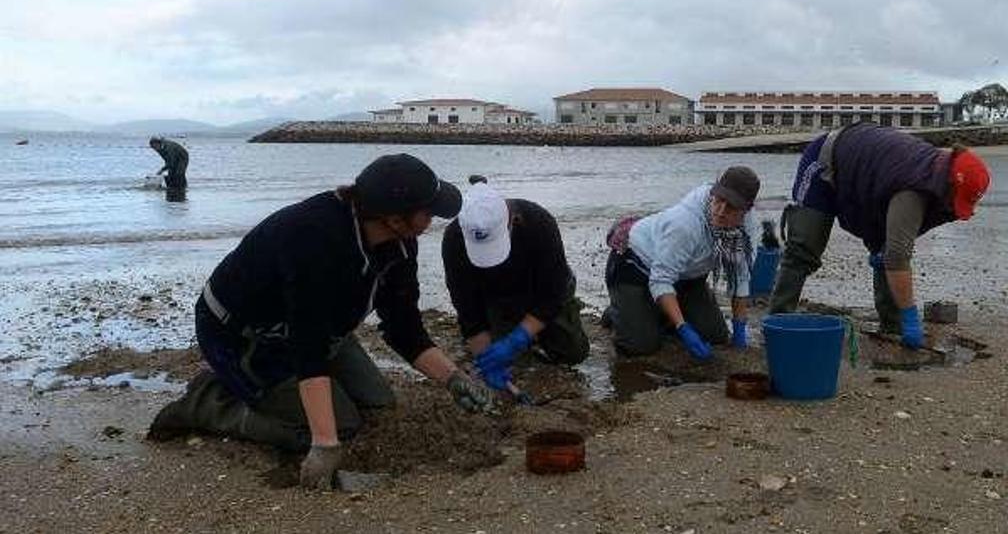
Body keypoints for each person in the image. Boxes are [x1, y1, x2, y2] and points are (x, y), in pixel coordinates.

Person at [147, 153, 498, 490]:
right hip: (241, 336)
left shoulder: (401, 243)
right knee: (339, 427)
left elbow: (403, 326)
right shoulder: (313, 238)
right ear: (394, 217)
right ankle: (210, 404)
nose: (434, 219)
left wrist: (453, 378)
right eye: (429, 212)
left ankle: (264, 394)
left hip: (323, 329)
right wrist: (325, 445)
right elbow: (307, 347)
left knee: (379, 406)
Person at [768, 124, 992, 350]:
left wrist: (885, 249)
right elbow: (897, 257)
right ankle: (777, 321)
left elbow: (897, 244)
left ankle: (893, 326)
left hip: (873, 182)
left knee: (886, 250)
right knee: (804, 249)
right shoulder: (913, 188)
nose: (956, 208)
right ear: (951, 182)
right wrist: (912, 317)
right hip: (826, 160)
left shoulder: (940, 184)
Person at [441, 180, 589, 395]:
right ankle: (506, 327)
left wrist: (518, 338)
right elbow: (467, 307)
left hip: (542, 289)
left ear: (512, 220)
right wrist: (487, 361)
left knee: (574, 353)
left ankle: (540, 330)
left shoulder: (540, 222)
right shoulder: (454, 239)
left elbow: (553, 293)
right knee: (513, 364)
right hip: (496, 297)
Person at [604, 166, 760, 359]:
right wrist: (683, 327)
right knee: (640, 346)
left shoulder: (748, 228)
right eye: (719, 200)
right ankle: (618, 312)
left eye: (731, 208)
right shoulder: (685, 223)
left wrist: (739, 326)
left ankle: (654, 312)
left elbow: (741, 275)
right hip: (635, 266)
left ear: (747, 209)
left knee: (715, 336)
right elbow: (660, 280)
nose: (720, 211)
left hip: (686, 276)